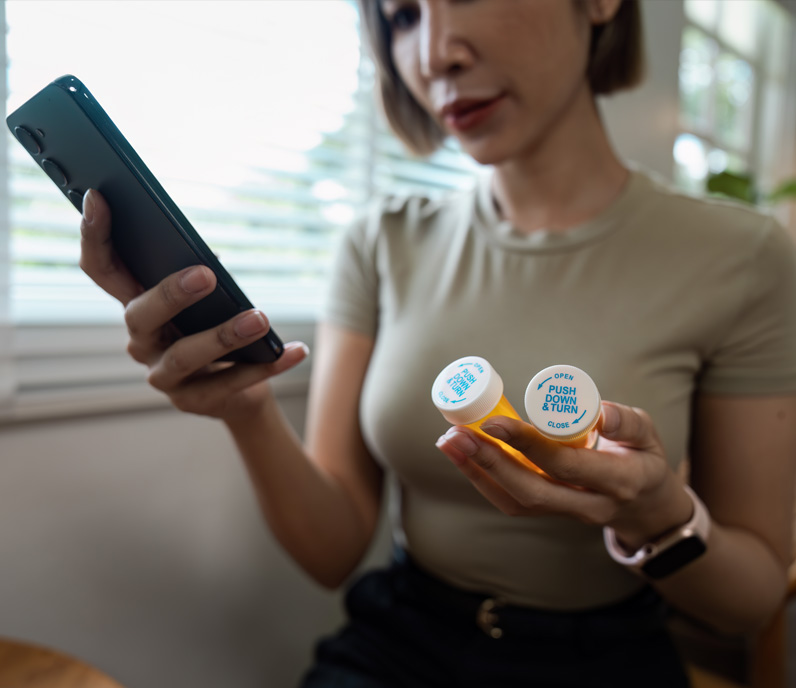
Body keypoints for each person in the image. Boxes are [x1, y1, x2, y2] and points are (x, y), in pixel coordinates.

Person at [78, 0, 796, 685]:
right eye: (402, 16)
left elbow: (752, 602)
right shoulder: (381, 241)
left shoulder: (742, 257)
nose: (433, 54)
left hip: (609, 654)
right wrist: (246, 409)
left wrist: (657, 516)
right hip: (402, 641)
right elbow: (332, 552)